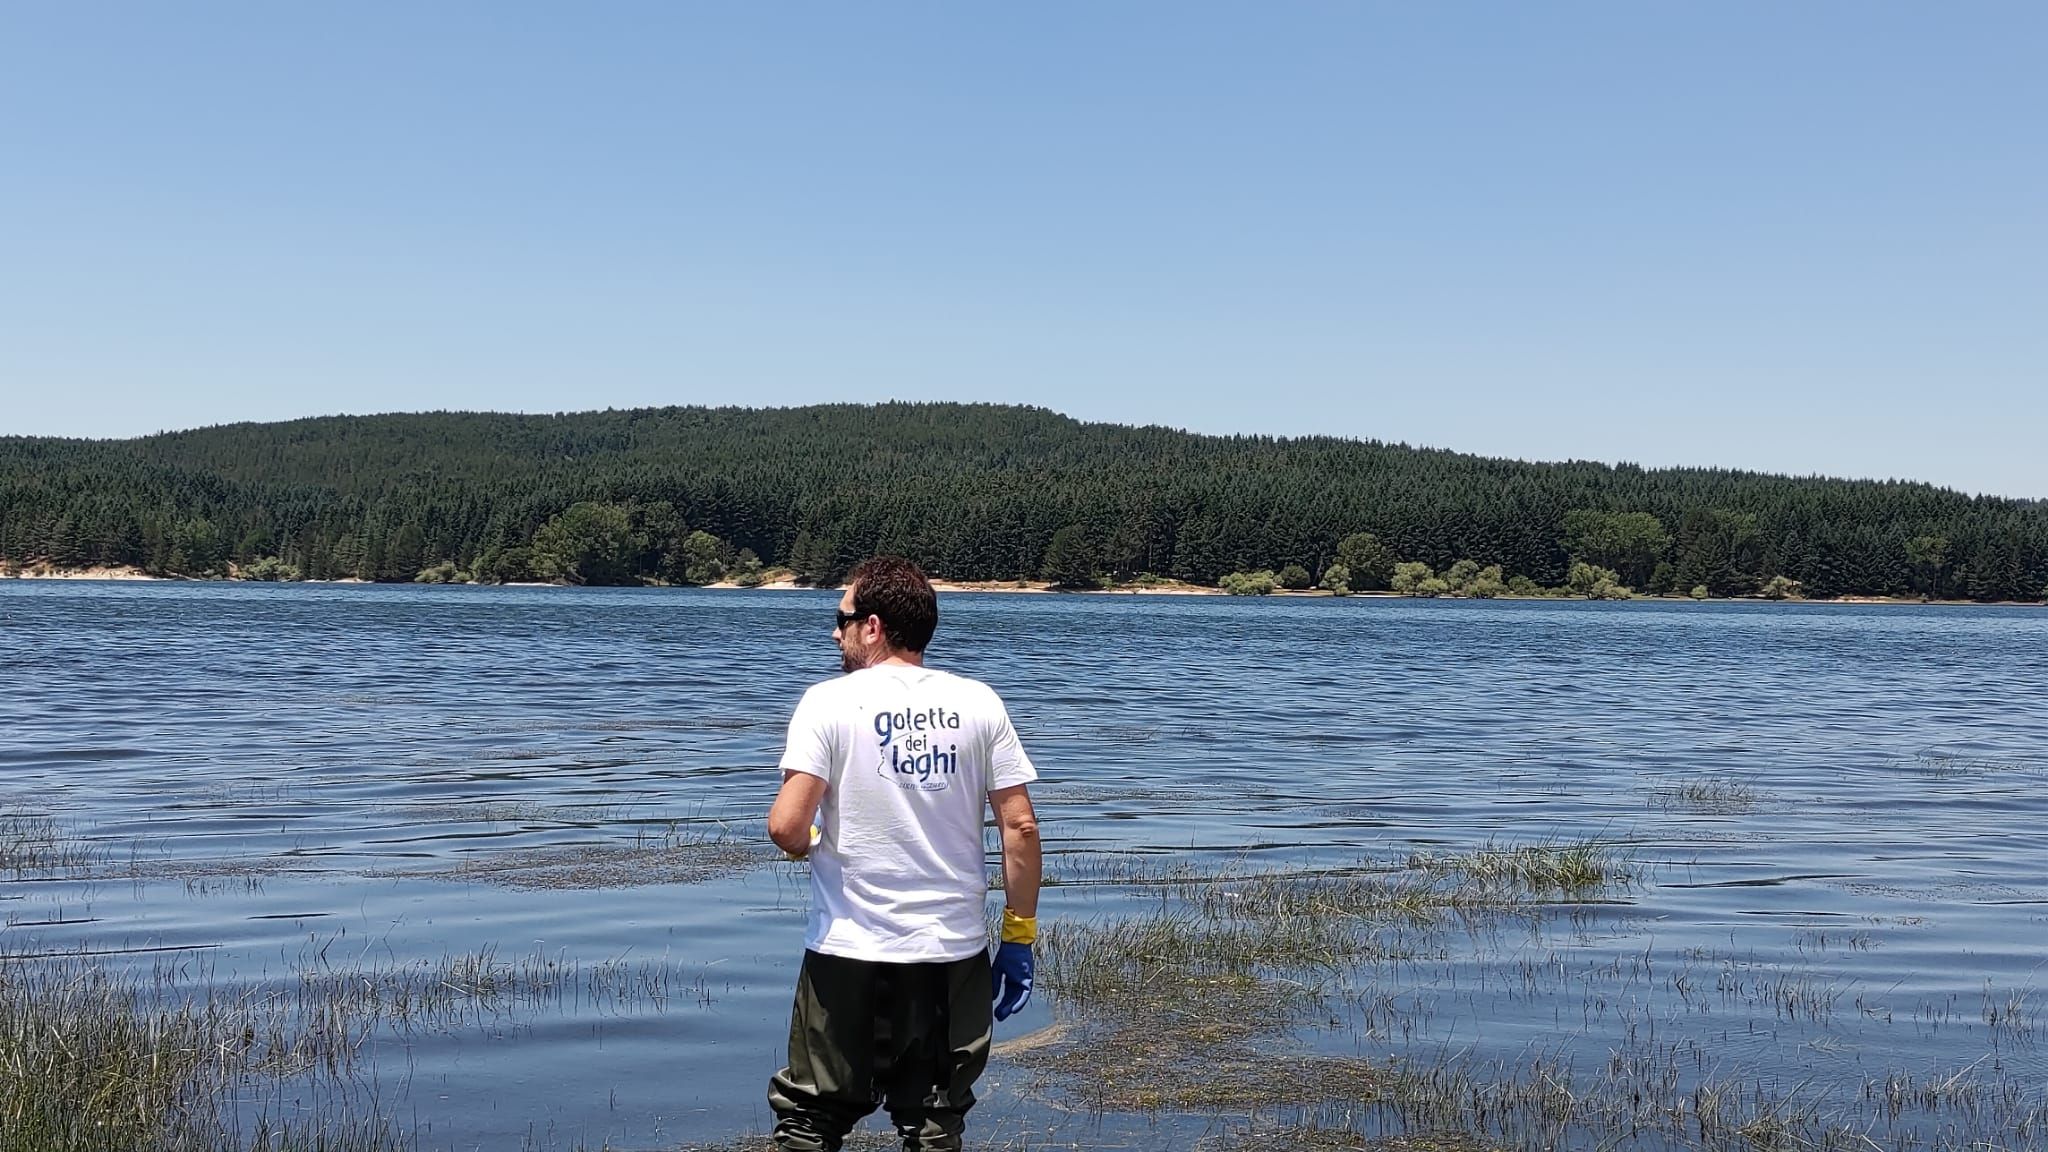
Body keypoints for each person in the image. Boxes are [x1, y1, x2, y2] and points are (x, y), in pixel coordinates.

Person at [764, 556, 1043, 1152]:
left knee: (810, 1122)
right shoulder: (980, 702)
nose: (833, 632)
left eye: (839, 618)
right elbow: (1019, 826)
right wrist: (1017, 936)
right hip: (951, 953)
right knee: (935, 1123)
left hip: (847, 951)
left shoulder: (828, 702)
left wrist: (817, 844)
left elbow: (788, 827)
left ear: (872, 626)